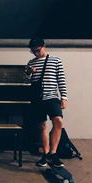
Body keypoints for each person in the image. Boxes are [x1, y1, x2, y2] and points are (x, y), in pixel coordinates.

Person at [25, 38, 68, 167]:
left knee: (58, 121)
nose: (36, 54)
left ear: (44, 46)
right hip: (38, 99)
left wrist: (64, 97)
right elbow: (27, 80)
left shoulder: (56, 60)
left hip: (52, 97)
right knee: (42, 126)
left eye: (37, 50)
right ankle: (46, 154)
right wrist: (29, 72)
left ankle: (53, 154)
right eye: (33, 52)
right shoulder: (31, 62)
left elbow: (61, 79)